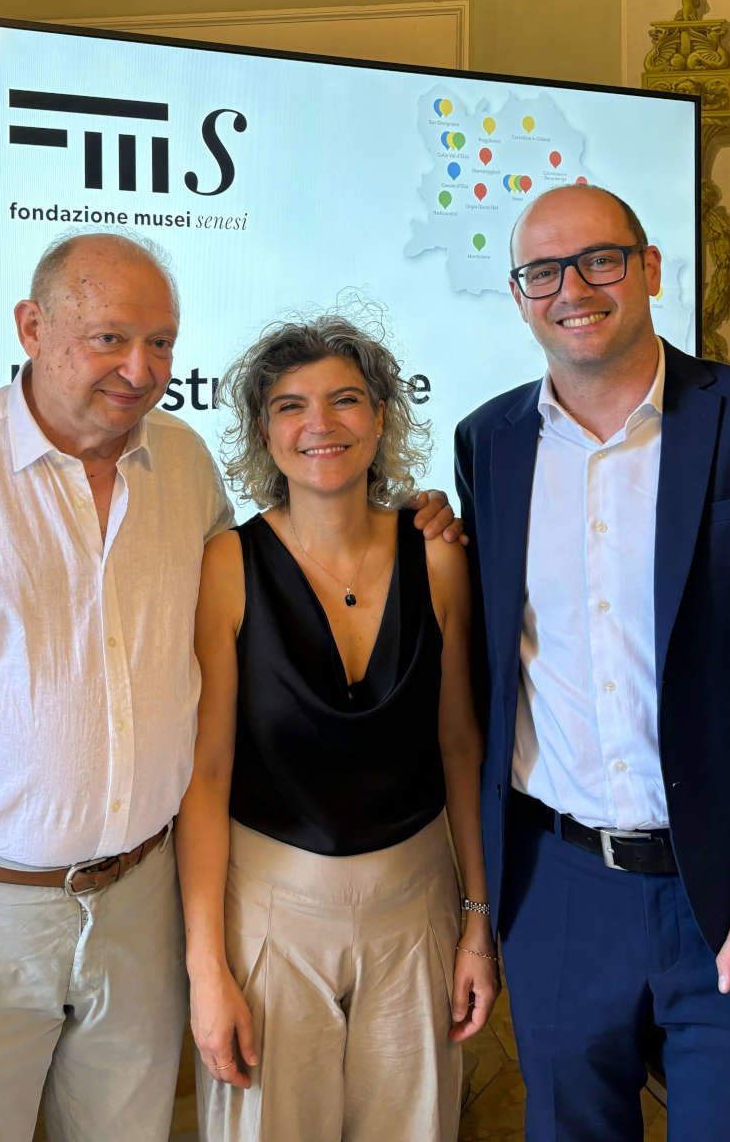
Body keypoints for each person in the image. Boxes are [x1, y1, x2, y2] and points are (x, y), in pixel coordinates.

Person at [0, 232, 461, 1142]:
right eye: (109, 338)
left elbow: (305, 547)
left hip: (140, 901)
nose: (140, 369)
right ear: (32, 327)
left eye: (161, 343)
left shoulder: (183, 467)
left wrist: (416, 512)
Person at [455, 184, 730, 1142]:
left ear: (649, 268)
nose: (573, 290)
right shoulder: (489, 444)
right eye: (542, 272)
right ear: (518, 295)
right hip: (559, 893)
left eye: (600, 260)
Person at [177, 315, 498, 1142]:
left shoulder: (439, 557)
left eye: (345, 400)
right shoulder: (227, 566)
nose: (320, 424)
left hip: (416, 910)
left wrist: (477, 921)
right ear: (264, 432)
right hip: (270, 914)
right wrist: (206, 967)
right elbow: (206, 776)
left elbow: (461, 747)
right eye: (291, 406)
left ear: (381, 416)